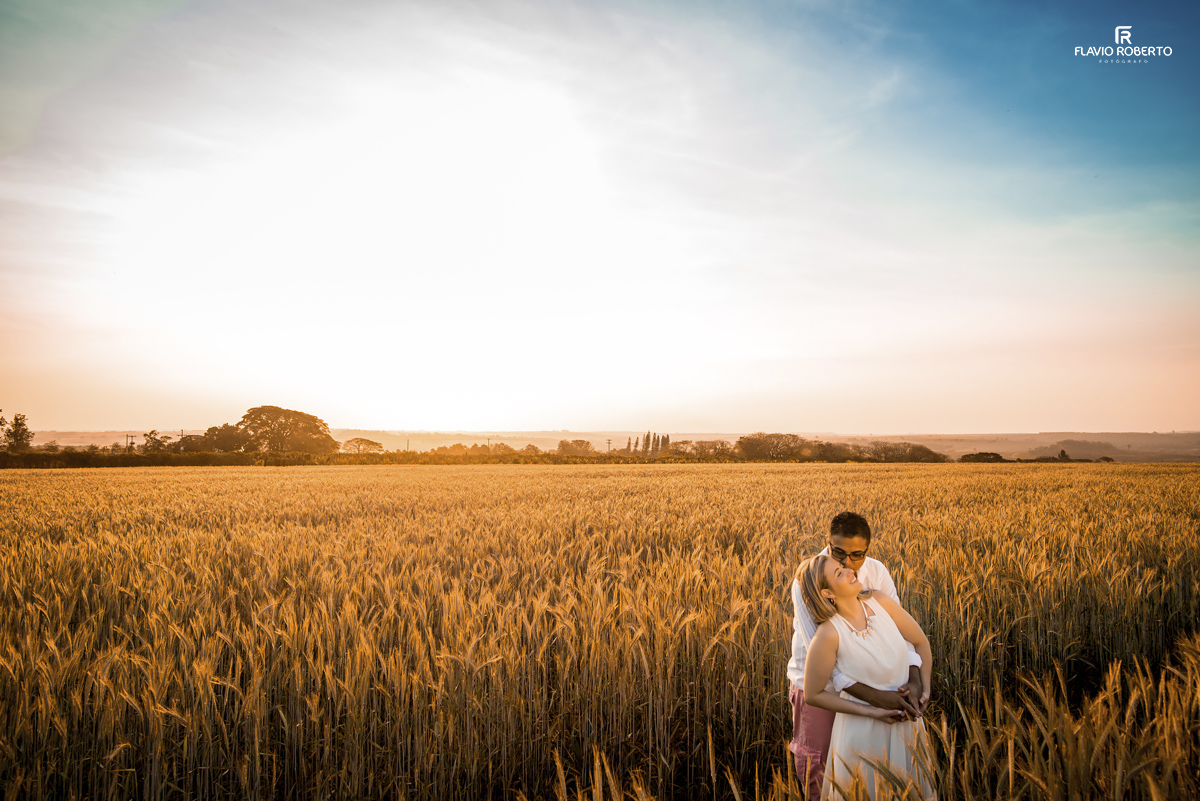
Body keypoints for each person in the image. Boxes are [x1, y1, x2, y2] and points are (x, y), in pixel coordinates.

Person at [787, 512, 927, 798]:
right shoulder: (810, 579)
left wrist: (915, 679)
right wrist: (873, 699)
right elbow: (829, 662)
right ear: (828, 543)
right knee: (820, 766)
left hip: (878, 690)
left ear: (867, 549)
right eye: (838, 553)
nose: (847, 563)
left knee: (881, 770)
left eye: (857, 555)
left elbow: (898, 632)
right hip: (820, 686)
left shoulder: (877, 574)